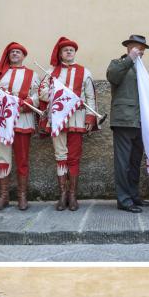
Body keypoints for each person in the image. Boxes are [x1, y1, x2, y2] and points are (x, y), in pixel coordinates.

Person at [0, 42, 40, 211]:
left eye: (18, 52)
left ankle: (22, 196)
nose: (15, 54)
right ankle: (3, 196)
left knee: (22, 158)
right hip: (2, 120)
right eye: (12, 52)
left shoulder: (32, 75)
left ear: (23, 55)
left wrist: (25, 103)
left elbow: (38, 96)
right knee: (3, 158)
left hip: (23, 120)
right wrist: (7, 100)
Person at [38, 37, 98, 211]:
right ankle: (62, 194)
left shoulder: (84, 72)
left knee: (74, 156)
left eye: (71, 49)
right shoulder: (51, 72)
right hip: (57, 119)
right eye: (65, 50)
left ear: (75, 53)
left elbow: (90, 97)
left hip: (77, 119)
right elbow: (42, 94)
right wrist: (59, 95)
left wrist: (89, 118)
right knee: (60, 155)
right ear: (60, 53)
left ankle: (73, 195)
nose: (69, 52)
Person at [106, 34, 149, 213]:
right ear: (129, 47)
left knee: (134, 162)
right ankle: (124, 200)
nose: (140, 50)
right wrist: (129, 59)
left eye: (142, 48)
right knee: (123, 163)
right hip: (123, 120)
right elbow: (113, 77)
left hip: (141, 121)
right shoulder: (118, 63)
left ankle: (133, 196)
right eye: (137, 47)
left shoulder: (142, 69)